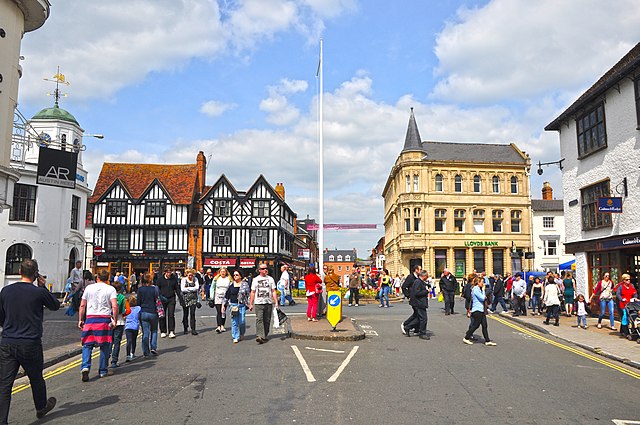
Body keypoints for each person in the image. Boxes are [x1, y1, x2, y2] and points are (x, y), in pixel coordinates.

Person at [0, 259, 59, 423]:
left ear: (20, 272)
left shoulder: (5, 291)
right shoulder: (39, 292)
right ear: (36, 274)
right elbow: (55, 305)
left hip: (8, 342)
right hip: (30, 343)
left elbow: (1, 316)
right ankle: (41, 407)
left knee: (5, 384)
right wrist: (43, 286)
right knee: (36, 378)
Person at [78, 269, 118, 381]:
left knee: (87, 344)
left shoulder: (89, 288)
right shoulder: (111, 289)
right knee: (105, 345)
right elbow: (114, 306)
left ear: (97, 278)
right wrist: (114, 320)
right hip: (104, 319)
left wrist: (81, 319)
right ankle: (103, 370)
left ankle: (85, 367)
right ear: (108, 278)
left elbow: (82, 305)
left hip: (90, 319)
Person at [249, 263, 279, 343]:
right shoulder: (255, 279)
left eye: (266, 268)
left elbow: (273, 291)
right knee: (259, 319)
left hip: (268, 302)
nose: (265, 270)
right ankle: (260, 335)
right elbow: (253, 292)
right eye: (263, 269)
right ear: (259, 270)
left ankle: (264, 335)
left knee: (267, 320)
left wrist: (276, 302)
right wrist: (251, 303)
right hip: (258, 303)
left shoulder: (271, 279)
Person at [463, 277, 496, 346]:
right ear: (478, 282)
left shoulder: (478, 289)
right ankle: (466, 337)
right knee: (476, 325)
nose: (483, 283)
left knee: (484, 325)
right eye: (482, 282)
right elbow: (482, 298)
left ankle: (487, 341)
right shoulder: (475, 289)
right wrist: (483, 291)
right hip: (477, 310)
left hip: (481, 310)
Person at [222, 270, 251, 343]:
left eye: (237, 275)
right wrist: (223, 305)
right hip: (233, 305)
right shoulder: (231, 284)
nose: (235, 276)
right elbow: (227, 295)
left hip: (241, 305)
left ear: (240, 276)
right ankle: (235, 336)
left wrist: (250, 304)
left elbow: (249, 295)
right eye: (234, 275)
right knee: (234, 322)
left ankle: (241, 333)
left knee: (242, 321)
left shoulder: (245, 284)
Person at [136, 272, 160, 356]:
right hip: (153, 311)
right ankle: (153, 347)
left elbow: (138, 302)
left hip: (143, 312)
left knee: (145, 332)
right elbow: (158, 299)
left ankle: (145, 351)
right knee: (154, 330)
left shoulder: (140, 289)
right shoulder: (155, 289)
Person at [403, 270, 431, 340]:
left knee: (418, 318)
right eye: (426, 276)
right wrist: (427, 291)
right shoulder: (418, 282)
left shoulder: (420, 282)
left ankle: (408, 327)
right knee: (423, 318)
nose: (427, 277)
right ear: (423, 276)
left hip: (419, 302)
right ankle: (422, 333)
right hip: (418, 303)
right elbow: (417, 293)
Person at [156, 268, 182, 339]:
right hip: (162, 299)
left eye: (170, 272)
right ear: (165, 273)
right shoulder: (160, 279)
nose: (169, 274)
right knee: (162, 315)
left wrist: (180, 299)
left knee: (171, 315)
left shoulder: (174, 279)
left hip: (171, 298)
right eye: (168, 272)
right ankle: (163, 331)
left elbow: (177, 289)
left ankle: (171, 331)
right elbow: (157, 289)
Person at [110, 281, 128, 368]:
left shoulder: (109, 296)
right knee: (117, 342)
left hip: (109, 321)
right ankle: (114, 361)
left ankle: (106, 358)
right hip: (119, 321)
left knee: (109, 341)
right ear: (120, 289)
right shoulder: (122, 297)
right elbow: (123, 310)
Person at [401, 265, 422, 335]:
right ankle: (405, 324)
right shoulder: (410, 277)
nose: (421, 271)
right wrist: (408, 296)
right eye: (420, 269)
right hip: (413, 298)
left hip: (418, 299)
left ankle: (416, 329)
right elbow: (404, 286)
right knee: (418, 314)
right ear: (416, 270)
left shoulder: (419, 277)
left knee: (417, 314)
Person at [181, 269, 200, 335]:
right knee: (185, 314)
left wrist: (188, 288)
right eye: (189, 275)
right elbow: (183, 289)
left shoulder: (196, 279)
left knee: (192, 313)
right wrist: (192, 289)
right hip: (185, 298)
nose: (190, 276)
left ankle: (193, 329)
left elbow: (197, 287)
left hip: (193, 298)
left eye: (192, 275)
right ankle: (185, 328)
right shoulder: (184, 280)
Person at [212, 267, 231, 333]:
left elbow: (231, 288)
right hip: (218, 297)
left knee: (223, 311)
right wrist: (211, 297)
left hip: (225, 297)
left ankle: (222, 325)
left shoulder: (229, 279)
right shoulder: (216, 278)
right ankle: (218, 326)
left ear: (226, 272)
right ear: (219, 272)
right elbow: (212, 287)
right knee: (218, 312)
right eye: (221, 271)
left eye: (224, 271)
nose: (223, 273)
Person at [125, 295, 141, 361]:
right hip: (135, 326)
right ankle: (132, 353)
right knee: (134, 340)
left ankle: (128, 355)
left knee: (129, 341)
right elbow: (140, 316)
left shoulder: (127, 309)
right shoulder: (138, 308)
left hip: (128, 327)